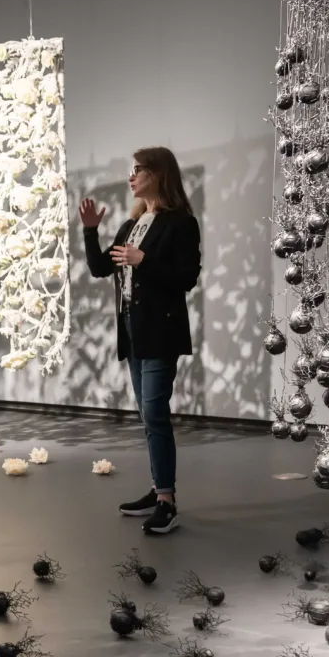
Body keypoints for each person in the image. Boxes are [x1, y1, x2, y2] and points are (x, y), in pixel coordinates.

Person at [81, 146, 201, 535]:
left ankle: (167, 502)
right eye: (131, 170)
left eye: (138, 170)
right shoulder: (132, 225)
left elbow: (186, 277)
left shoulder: (180, 223)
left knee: (154, 414)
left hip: (161, 331)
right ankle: (158, 489)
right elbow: (101, 268)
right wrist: (88, 230)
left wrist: (143, 261)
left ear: (159, 174)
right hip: (133, 329)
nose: (131, 177)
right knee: (148, 417)